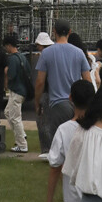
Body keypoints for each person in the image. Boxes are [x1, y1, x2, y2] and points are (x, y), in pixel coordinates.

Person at [34, 19, 91, 148]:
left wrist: (37, 103)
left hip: (57, 104)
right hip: (77, 103)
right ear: (70, 32)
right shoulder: (79, 52)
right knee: (76, 143)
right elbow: (88, 81)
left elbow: (39, 82)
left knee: (59, 145)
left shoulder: (46, 53)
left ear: (54, 31)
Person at [3, 33, 29, 153]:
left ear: (8, 45)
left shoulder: (12, 58)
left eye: (5, 46)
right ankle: (21, 135)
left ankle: (22, 144)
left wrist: (6, 72)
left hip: (16, 91)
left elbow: (11, 75)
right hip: (22, 89)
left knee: (15, 118)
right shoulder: (22, 57)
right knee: (8, 112)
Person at [34, 31, 55, 159]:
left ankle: (47, 149)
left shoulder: (44, 56)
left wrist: (37, 101)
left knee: (43, 120)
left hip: (47, 92)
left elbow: (40, 81)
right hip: (57, 92)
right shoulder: (56, 53)